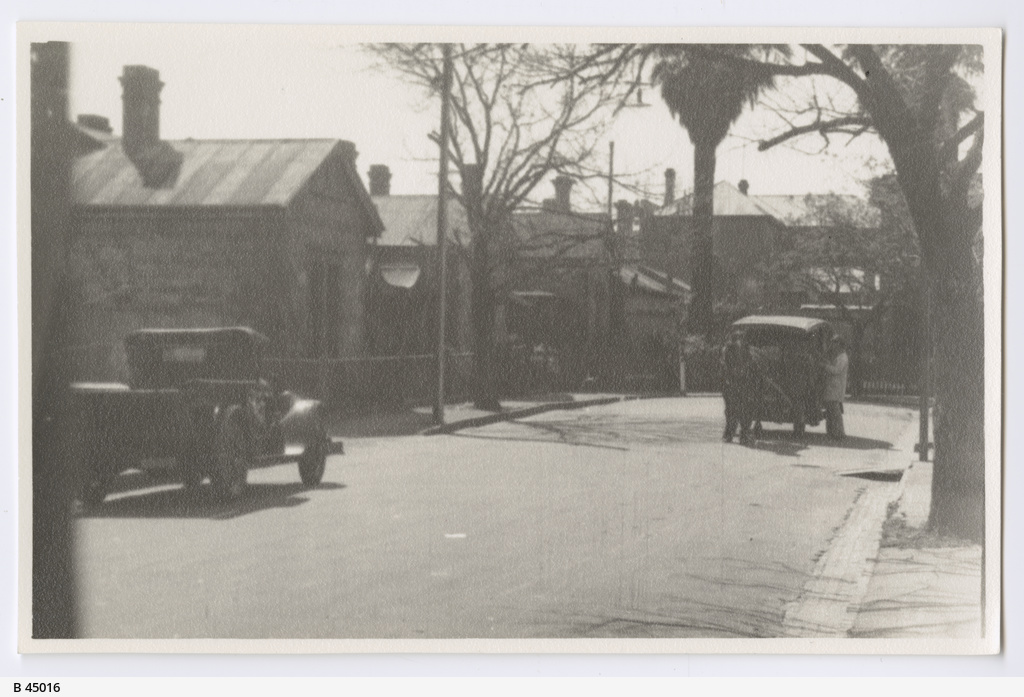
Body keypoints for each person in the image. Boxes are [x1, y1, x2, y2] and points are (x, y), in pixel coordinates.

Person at [721, 329, 755, 444]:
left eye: (741, 338)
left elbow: (749, 362)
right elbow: (725, 364)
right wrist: (732, 372)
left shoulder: (746, 349)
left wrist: (744, 370)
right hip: (731, 380)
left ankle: (744, 433)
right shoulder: (727, 349)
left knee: (745, 407)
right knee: (730, 408)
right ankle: (729, 432)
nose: (739, 340)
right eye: (737, 338)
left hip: (743, 381)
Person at [823, 335, 850, 440]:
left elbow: (836, 370)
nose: (833, 345)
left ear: (839, 344)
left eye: (835, 343)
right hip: (832, 387)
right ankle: (832, 432)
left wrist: (825, 366)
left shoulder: (843, 357)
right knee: (830, 411)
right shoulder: (839, 357)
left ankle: (839, 433)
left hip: (836, 387)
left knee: (835, 411)